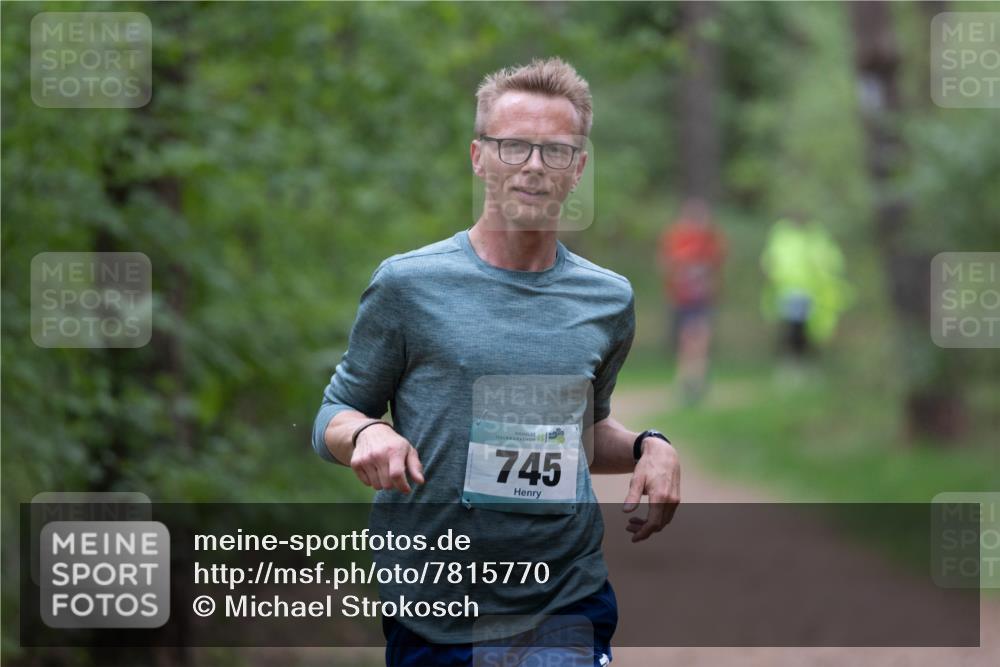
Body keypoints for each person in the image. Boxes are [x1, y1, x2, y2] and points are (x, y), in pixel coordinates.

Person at [312, 58, 681, 667]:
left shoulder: (607, 299)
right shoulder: (408, 285)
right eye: (514, 147)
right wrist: (369, 431)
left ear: (578, 168)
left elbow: (579, 436)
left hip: (564, 597)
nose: (533, 167)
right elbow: (335, 414)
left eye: (555, 151)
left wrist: (650, 446)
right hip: (434, 605)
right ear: (479, 156)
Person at [657, 199, 726, 403]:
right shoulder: (677, 238)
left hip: (701, 299)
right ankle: (689, 379)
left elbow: (717, 267)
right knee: (688, 341)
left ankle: (692, 379)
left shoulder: (710, 240)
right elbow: (666, 264)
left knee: (698, 339)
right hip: (682, 298)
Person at [759, 215, 852, 358]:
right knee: (793, 326)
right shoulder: (782, 235)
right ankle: (794, 358)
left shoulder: (817, 236)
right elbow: (770, 261)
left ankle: (805, 359)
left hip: (816, 291)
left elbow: (832, 262)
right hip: (788, 289)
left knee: (812, 329)